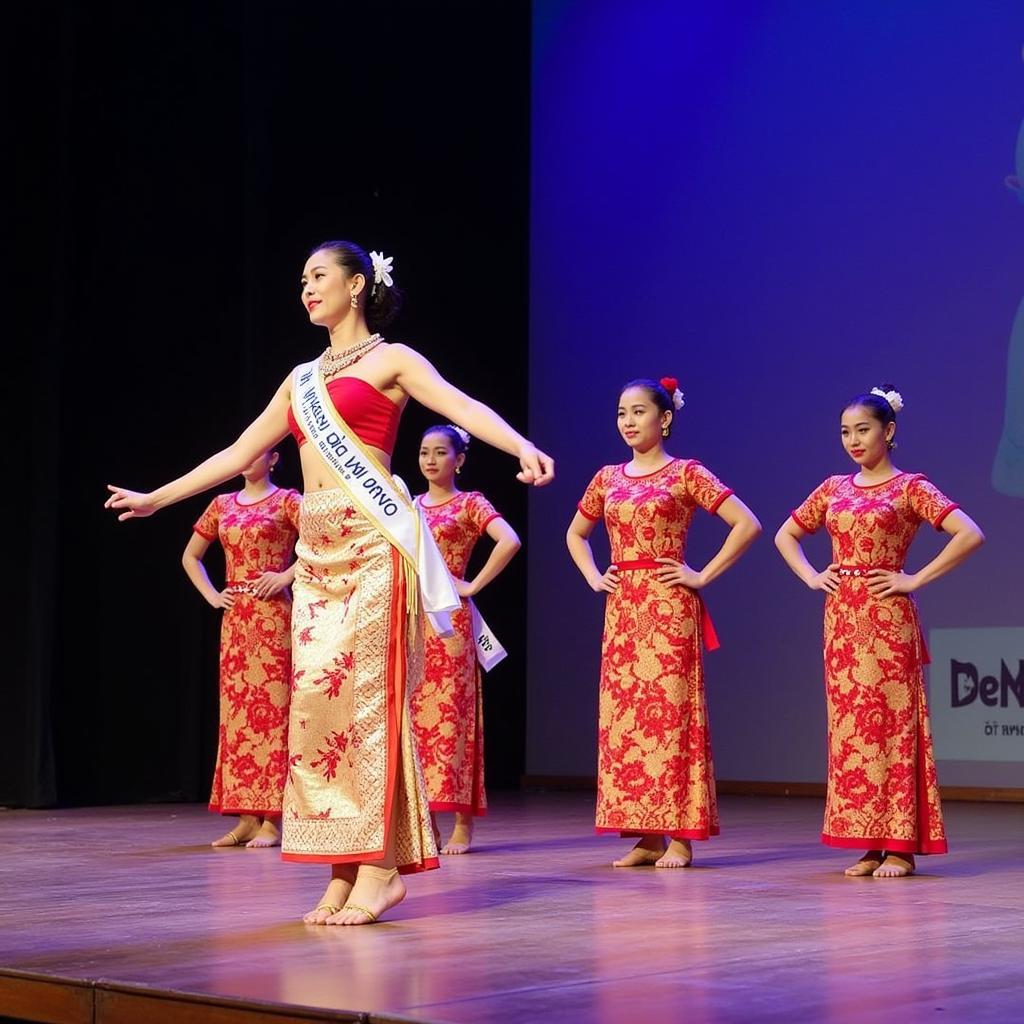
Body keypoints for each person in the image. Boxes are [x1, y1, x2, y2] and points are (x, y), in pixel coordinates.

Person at [106, 240, 554, 924]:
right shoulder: (300, 378)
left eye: (319, 277)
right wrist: (157, 498)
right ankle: (341, 869)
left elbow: (463, 408)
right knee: (319, 715)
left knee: (370, 705)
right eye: (302, 279)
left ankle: (380, 869)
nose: (307, 288)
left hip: (373, 542)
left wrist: (520, 445)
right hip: (316, 554)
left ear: (356, 285)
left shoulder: (393, 359)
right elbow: (238, 452)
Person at [775, 385, 984, 878]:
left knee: (892, 727)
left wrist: (912, 578)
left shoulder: (910, 487)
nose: (853, 439)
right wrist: (812, 575)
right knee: (853, 732)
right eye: (845, 432)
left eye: (863, 429)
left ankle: (899, 845)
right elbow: (787, 534)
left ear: (889, 432)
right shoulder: (833, 488)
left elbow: (969, 532)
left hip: (888, 622)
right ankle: (868, 841)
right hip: (842, 622)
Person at [566, 377, 760, 868]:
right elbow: (576, 533)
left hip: (669, 608)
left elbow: (746, 523)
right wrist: (593, 577)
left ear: (665, 418)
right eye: (621, 414)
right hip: (624, 611)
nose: (628, 423)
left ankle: (678, 834)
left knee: (671, 717)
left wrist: (701, 574)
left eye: (638, 413)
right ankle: (646, 835)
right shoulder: (607, 477)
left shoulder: (686, 473)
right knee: (627, 723)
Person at [411, 424, 521, 854]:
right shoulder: (406, 505)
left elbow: (508, 540)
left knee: (453, 720)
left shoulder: (470, 503)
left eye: (441, 452)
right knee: (415, 722)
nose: (431, 460)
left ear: (459, 459)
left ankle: (461, 821)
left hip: (451, 627)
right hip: (413, 620)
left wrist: (472, 584)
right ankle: (424, 823)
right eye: (424, 452)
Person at [182, 449, 300, 849]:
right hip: (237, 622)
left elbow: (322, 544)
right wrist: (214, 595)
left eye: (257, 452)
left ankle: (273, 820)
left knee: (274, 714)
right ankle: (246, 817)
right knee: (238, 717)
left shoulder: (288, 501)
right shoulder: (221, 504)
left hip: (274, 619)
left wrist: (284, 574)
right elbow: (191, 556)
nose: (247, 458)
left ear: (274, 459)